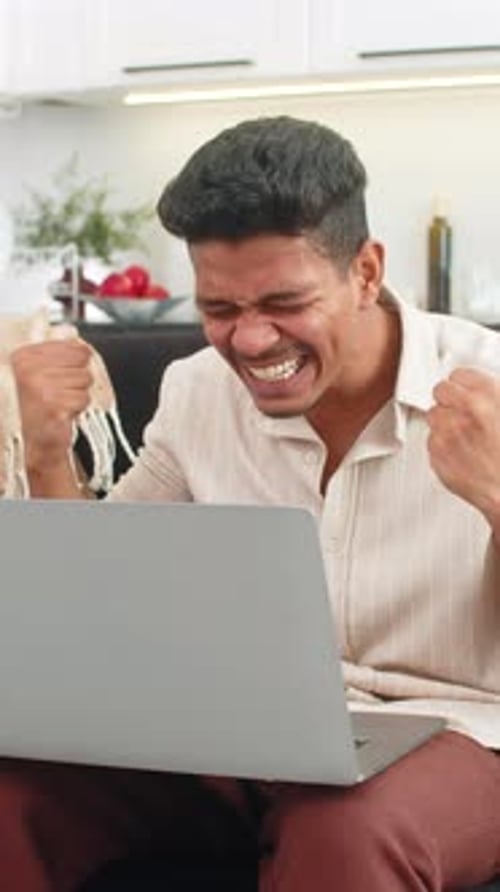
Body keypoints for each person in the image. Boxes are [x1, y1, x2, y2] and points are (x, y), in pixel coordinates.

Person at [7, 115, 500, 892]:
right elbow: (97, 600)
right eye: (221, 309)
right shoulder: (197, 389)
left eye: (283, 301)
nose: (249, 341)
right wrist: (43, 450)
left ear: (366, 272)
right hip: (241, 737)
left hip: (460, 734)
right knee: (16, 794)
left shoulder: (489, 387)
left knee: (342, 825)